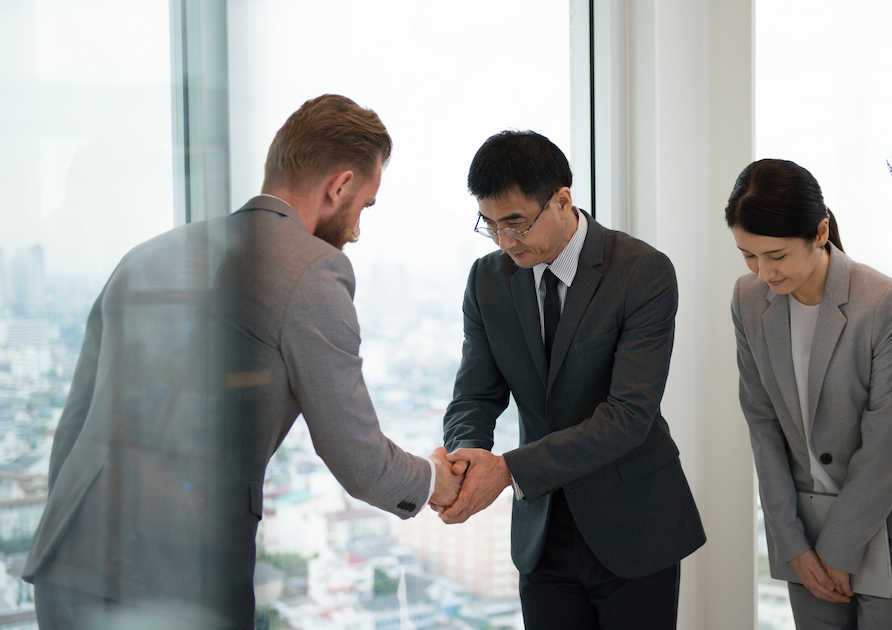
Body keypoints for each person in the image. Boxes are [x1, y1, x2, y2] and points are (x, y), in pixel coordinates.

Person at [22, 94, 465, 629]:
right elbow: (358, 459)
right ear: (339, 186)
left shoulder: (149, 254)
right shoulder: (315, 272)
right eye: (364, 206)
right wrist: (436, 479)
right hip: (179, 579)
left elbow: (74, 427)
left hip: (68, 557)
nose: (357, 229)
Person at [437, 130, 705, 629]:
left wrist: (509, 469)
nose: (504, 241)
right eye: (490, 225)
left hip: (634, 525)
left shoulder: (642, 272)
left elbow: (629, 417)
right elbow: (473, 396)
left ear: (563, 200)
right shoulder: (487, 281)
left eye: (515, 223)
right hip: (542, 534)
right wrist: (465, 456)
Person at [727, 159, 892, 629]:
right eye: (749, 255)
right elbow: (762, 426)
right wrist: (791, 542)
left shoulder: (884, 303)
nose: (764, 272)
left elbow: (888, 441)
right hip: (806, 522)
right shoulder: (747, 300)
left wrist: (839, 550)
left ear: (820, 231)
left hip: (889, 518)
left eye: (777, 255)